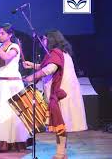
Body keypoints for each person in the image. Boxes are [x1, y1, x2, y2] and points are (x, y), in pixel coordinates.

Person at [23, 30, 88, 159]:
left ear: (51, 40)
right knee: (62, 125)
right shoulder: (63, 53)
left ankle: (60, 154)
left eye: (45, 39)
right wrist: (33, 65)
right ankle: (61, 153)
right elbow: (49, 66)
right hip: (66, 93)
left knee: (60, 124)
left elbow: (50, 69)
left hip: (60, 95)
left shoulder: (56, 53)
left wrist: (31, 77)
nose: (44, 43)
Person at [0, 23, 30, 153]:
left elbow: (5, 58)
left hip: (12, 85)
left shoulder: (14, 46)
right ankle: (0, 142)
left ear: (10, 34)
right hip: (0, 84)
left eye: (2, 33)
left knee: (12, 113)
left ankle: (16, 142)